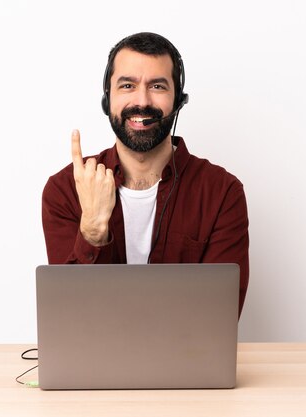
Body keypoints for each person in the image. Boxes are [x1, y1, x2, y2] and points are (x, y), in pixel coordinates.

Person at [41, 32, 250, 315]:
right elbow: (69, 313)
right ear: (107, 100)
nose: (142, 101)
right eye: (127, 85)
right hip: (96, 359)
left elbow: (219, 315)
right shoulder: (66, 189)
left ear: (178, 101)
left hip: (186, 357)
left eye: (157, 86)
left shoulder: (222, 192)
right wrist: (92, 230)